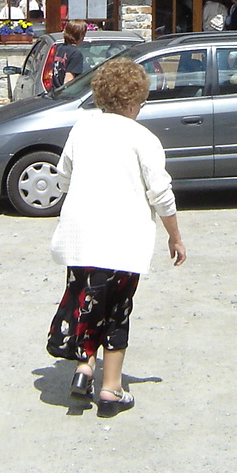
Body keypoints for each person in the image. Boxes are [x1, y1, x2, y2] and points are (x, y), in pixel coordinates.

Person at [47, 59, 186, 417]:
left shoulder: (82, 128)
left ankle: (84, 368)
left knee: (87, 300)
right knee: (116, 310)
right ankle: (110, 390)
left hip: (81, 237)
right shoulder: (143, 138)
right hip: (122, 238)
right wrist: (175, 236)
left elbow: (63, 177)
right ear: (134, 99)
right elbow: (161, 193)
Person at [48, 19, 86, 91]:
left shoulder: (58, 48)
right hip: (64, 93)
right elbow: (69, 80)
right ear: (81, 35)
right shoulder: (76, 54)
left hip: (54, 91)